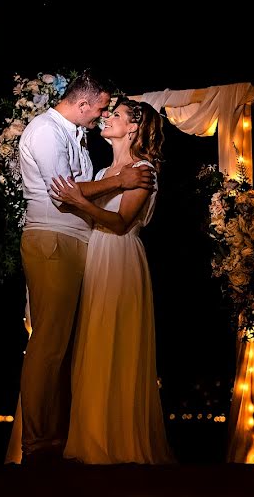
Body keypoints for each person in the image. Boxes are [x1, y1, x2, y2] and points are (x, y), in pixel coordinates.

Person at [16, 72, 156, 465]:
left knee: (67, 348)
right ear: (81, 105)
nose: (100, 117)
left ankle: (62, 437)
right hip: (54, 239)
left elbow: (81, 195)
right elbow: (64, 196)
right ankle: (37, 443)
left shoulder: (74, 136)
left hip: (83, 247)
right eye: (98, 110)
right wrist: (121, 180)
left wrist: (118, 181)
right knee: (48, 344)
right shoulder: (46, 131)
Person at [50, 98, 174, 464]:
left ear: (133, 127)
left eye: (115, 115)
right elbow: (75, 196)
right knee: (91, 338)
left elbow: (120, 222)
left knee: (114, 338)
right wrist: (78, 195)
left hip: (120, 255)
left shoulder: (144, 169)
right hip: (96, 254)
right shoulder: (105, 171)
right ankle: (88, 435)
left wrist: (80, 200)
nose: (107, 118)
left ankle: (117, 439)